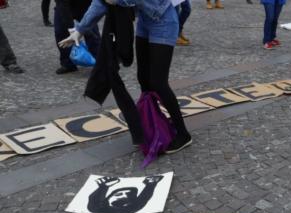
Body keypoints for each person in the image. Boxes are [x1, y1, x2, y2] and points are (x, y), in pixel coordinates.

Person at [60, 0, 193, 152]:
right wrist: (79, 30)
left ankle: (183, 134)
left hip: (164, 21)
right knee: (143, 79)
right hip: (145, 21)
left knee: (158, 82)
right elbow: (101, 2)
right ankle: (153, 126)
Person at [54, 0, 100, 74]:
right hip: (62, 6)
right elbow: (62, 5)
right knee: (61, 34)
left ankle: (100, 64)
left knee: (92, 35)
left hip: (85, 6)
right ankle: (68, 64)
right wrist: (71, 29)